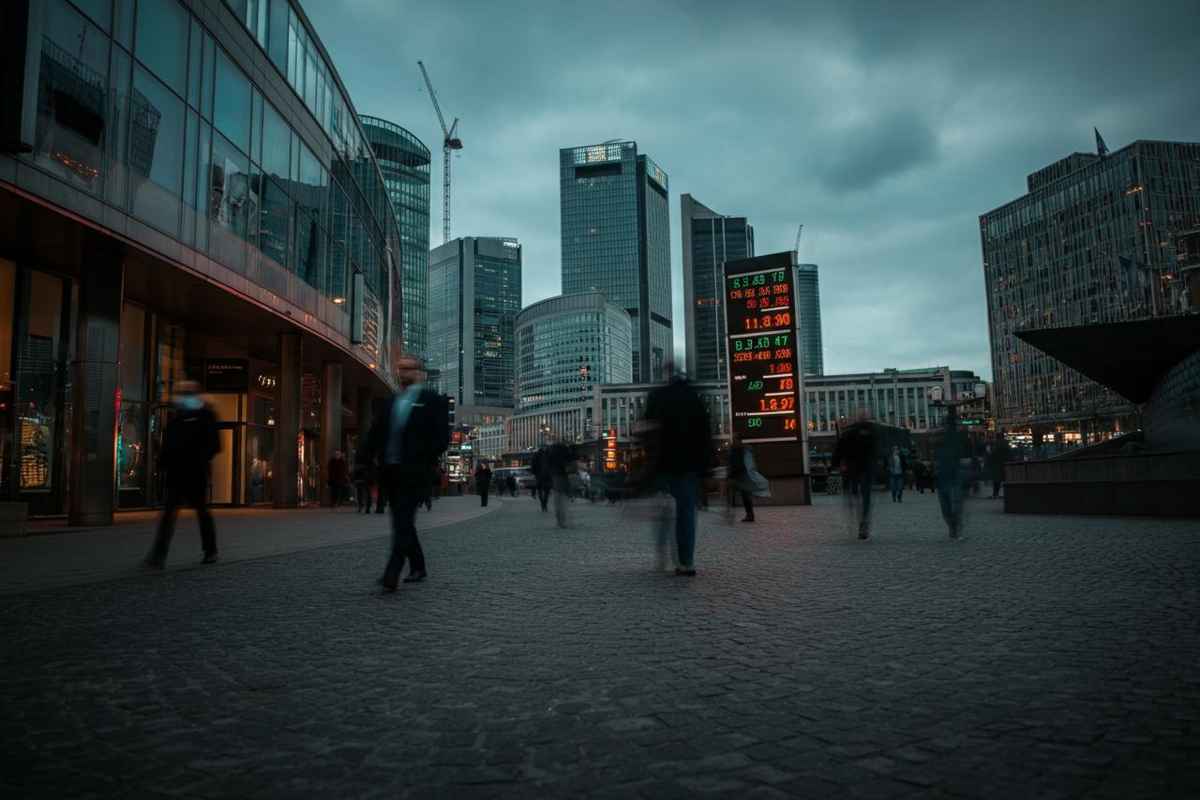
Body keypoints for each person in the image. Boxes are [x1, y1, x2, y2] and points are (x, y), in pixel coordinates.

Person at [362, 353, 449, 592]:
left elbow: (442, 438)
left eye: (409, 369)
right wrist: (363, 460)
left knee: (403, 520)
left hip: (415, 472)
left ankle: (392, 572)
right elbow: (375, 434)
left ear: (420, 373)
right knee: (402, 522)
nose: (404, 373)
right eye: (401, 368)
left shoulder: (432, 400)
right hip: (391, 472)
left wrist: (423, 460)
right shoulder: (391, 402)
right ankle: (418, 565)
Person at [641, 366, 711, 576]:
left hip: (662, 462)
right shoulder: (694, 396)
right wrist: (706, 464)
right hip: (689, 463)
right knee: (686, 511)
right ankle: (686, 561)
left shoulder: (657, 396)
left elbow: (647, 427)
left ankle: (662, 551)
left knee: (662, 506)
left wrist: (646, 456)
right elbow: (705, 431)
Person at [144, 380, 221, 568]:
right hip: (177, 474)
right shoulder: (177, 418)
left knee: (201, 513)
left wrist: (199, 458)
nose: (184, 398)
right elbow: (168, 446)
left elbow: (214, 445)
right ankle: (158, 555)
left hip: (195, 473)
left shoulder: (205, 416)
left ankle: (210, 550)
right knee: (169, 515)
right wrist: (162, 463)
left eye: (187, 394)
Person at [832, 410, 878, 540]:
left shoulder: (850, 432)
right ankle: (863, 522)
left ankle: (861, 521)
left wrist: (835, 464)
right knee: (865, 498)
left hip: (854, 470)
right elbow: (877, 451)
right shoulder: (871, 432)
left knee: (856, 496)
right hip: (865, 469)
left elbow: (839, 449)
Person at [936, 407, 967, 539]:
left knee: (951, 505)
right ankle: (953, 526)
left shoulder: (959, 436)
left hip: (953, 473)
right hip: (945, 474)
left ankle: (954, 527)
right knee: (949, 506)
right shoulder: (940, 437)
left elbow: (965, 453)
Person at [727, 435, 766, 522]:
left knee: (745, 496)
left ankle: (749, 515)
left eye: (735, 439)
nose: (734, 441)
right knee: (734, 494)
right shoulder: (735, 450)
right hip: (736, 475)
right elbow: (732, 463)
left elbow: (746, 463)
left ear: (739, 440)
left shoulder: (742, 450)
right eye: (733, 439)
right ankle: (746, 514)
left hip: (742, 475)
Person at [546, 439, 574, 528]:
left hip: (556, 476)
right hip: (565, 475)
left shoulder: (551, 452)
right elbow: (571, 461)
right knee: (564, 498)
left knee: (557, 499)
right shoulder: (566, 451)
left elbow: (548, 464)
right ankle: (564, 519)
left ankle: (559, 520)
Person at [353, 448, 374, 513]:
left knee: (361, 491)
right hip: (365, 474)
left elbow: (356, 465)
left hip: (361, 474)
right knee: (366, 491)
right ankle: (366, 507)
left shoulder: (358, 453)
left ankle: (361, 506)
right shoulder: (369, 453)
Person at [532, 447, 553, 512]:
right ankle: (544, 504)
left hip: (539, 475)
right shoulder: (549, 454)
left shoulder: (536, 454)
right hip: (547, 475)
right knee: (546, 490)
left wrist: (534, 473)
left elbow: (533, 464)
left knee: (540, 490)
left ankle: (543, 504)